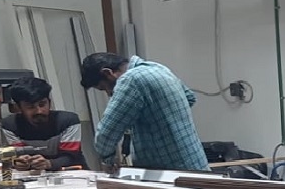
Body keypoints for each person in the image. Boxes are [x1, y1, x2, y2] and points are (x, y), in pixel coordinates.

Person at [80, 53, 210, 171]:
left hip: (170, 174)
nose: (109, 94)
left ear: (108, 73)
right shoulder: (157, 68)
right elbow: (190, 97)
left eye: (104, 88)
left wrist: (107, 160)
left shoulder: (131, 80)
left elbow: (106, 135)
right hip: (197, 165)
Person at [2, 76, 86, 171]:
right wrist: (19, 162)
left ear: (49, 102)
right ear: (18, 108)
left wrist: (49, 163)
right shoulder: (10, 125)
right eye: (30, 107)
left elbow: (71, 157)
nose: (39, 111)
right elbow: (16, 155)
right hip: (33, 176)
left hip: (72, 173)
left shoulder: (68, 121)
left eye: (42, 104)